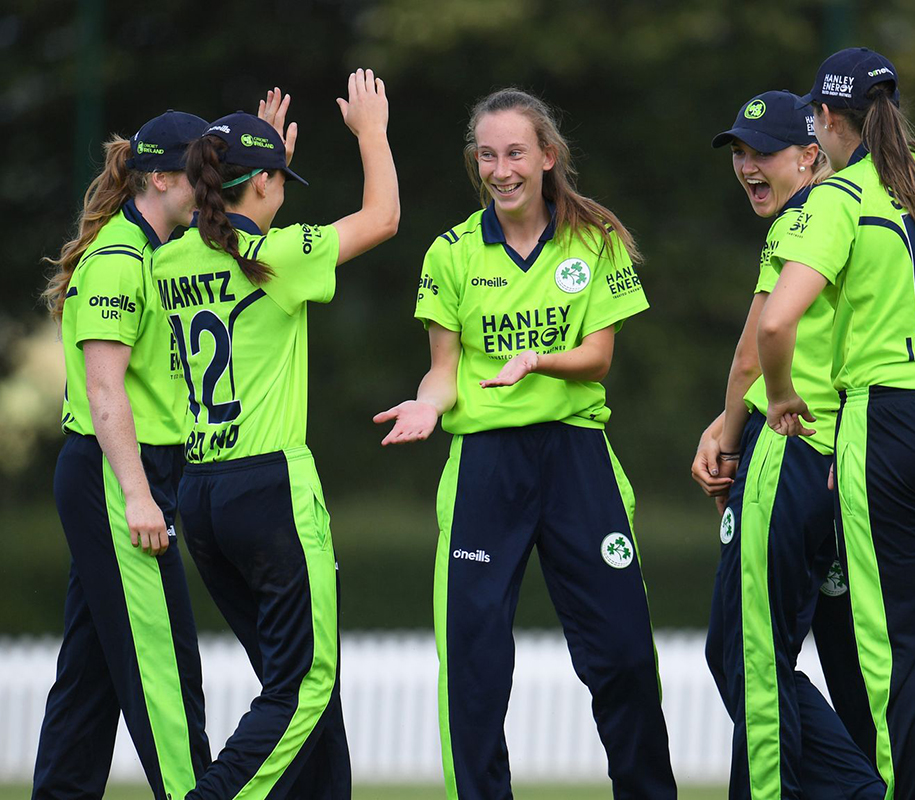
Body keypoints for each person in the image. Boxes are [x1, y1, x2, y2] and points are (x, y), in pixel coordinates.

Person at [374, 87, 676, 800]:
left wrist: (536, 361)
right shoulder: (450, 253)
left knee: (625, 656)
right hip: (486, 465)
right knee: (474, 664)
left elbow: (598, 358)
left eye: (515, 153)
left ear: (547, 156)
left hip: (576, 458)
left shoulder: (593, 241)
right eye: (487, 155)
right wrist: (427, 404)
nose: (501, 170)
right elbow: (444, 371)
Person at [149, 71, 399, 799]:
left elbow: (231, 220)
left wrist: (255, 152)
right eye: (280, 178)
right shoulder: (278, 256)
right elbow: (383, 217)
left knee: (294, 688)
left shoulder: (170, 259)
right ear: (260, 184)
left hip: (201, 495)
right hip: (270, 491)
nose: (285, 187)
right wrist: (372, 133)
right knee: (305, 687)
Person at [757, 48, 915, 797]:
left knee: (894, 656)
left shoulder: (840, 197)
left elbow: (776, 322)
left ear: (828, 119)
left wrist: (780, 395)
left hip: (892, 421)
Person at [695, 89, 883, 800]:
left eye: (764, 152)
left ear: (811, 154)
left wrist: (728, 437)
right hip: (851, 459)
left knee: (747, 657)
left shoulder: (806, 220)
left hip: (791, 448)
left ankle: (856, 792)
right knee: (840, 661)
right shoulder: (869, 213)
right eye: (739, 152)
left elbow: (754, 353)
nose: (747, 165)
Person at [35, 110, 212, 800]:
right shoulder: (119, 259)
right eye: (201, 172)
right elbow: (104, 392)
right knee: (163, 666)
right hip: (117, 474)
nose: (210, 187)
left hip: (129, 471)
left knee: (91, 675)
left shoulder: (158, 251)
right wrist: (139, 495)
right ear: (160, 178)